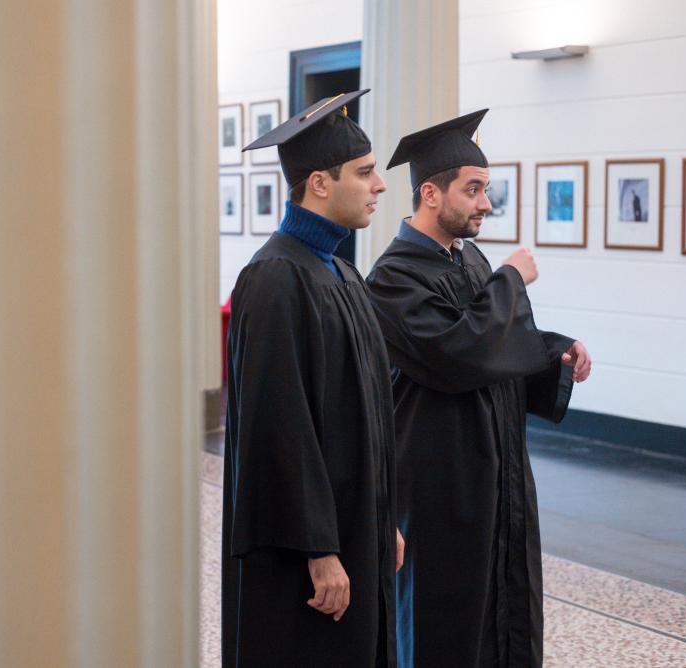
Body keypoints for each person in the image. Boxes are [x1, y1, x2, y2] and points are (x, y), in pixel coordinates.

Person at [365, 109, 592, 668]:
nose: (486, 204)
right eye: (474, 190)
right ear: (430, 193)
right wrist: (511, 279)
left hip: (499, 477)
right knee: (446, 629)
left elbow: (498, 340)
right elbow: (457, 354)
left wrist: (550, 351)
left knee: (505, 618)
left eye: (485, 190)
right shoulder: (393, 278)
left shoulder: (468, 258)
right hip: (443, 490)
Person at [222, 89, 403, 667]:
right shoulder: (277, 277)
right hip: (305, 552)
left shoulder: (341, 273)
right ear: (320, 183)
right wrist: (319, 549)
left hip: (356, 526)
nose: (379, 186)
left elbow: (369, 410)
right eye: (366, 173)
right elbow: (280, 428)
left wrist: (382, 521)